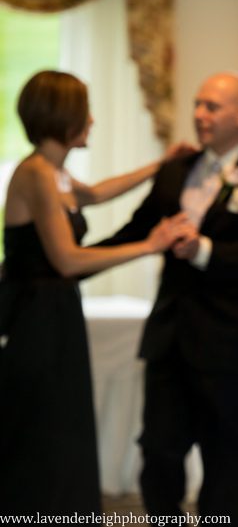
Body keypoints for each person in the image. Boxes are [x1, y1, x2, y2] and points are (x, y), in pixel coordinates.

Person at [96, 72, 238, 526]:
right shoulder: (174, 172)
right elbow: (137, 232)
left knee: (225, 465)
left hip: (232, 347)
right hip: (170, 339)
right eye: (198, 104)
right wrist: (74, 258)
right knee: (159, 454)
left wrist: (202, 250)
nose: (200, 115)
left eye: (212, 107)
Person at [0, 70, 185, 513]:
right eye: (85, 112)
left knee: (63, 424)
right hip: (34, 316)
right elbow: (68, 260)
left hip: (55, 312)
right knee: (45, 429)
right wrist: (150, 245)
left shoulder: (54, 172)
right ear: (64, 118)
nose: (93, 120)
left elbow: (97, 193)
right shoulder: (36, 175)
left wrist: (160, 164)